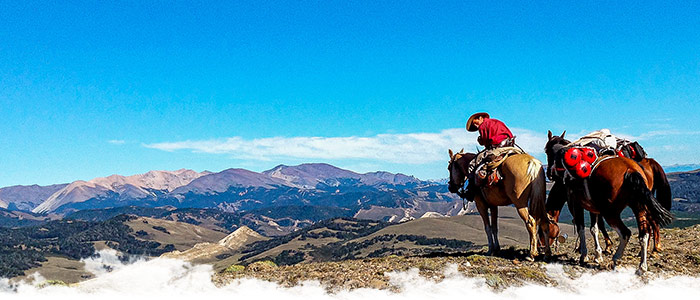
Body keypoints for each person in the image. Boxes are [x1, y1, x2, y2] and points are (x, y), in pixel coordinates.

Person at [462, 112, 515, 201]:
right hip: (510, 146)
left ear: (480, 118)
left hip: (497, 148)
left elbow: (486, 142)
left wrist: (481, 141)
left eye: (475, 123)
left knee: (473, 163)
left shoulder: (483, 125)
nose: (476, 126)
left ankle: (471, 190)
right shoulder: (497, 121)